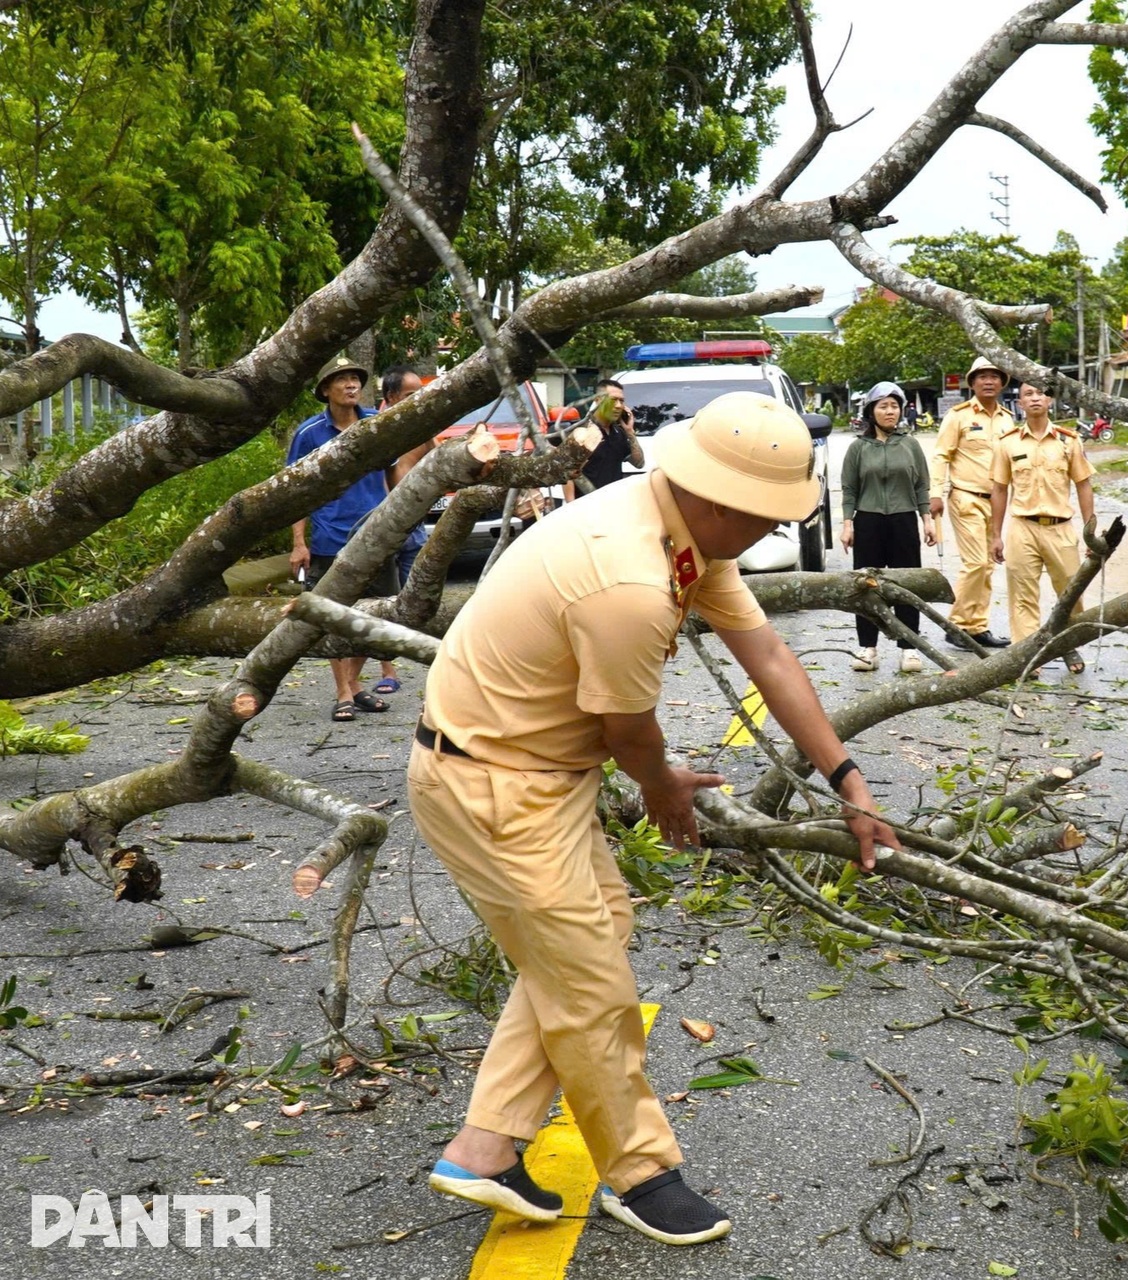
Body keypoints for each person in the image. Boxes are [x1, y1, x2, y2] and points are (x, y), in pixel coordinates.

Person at [410, 391, 898, 1248]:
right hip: (490, 783)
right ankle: (641, 1174)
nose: (768, 532)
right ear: (719, 499)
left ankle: (482, 1147)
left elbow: (770, 657)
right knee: (591, 983)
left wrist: (849, 778)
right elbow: (628, 732)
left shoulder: (683, 528)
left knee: (591, 940)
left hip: (541, 775)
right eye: (764, 517)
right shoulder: (629, 577)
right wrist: (665, 789)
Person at [287, 354, 400, 722]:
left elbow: (394, 474)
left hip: (376, 535)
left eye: (355, 378)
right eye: (342, 379)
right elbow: (294, 492)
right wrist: (299, 543)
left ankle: (353, 685)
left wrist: (401, 520)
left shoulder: (376, 424)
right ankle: (341, 693)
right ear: (325, 390)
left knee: (379, 615)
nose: (351, 384)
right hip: (330, 539)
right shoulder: (309, 434)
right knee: (334, 617)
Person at [989, 381, 1097, 673]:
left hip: (1060, 528)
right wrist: (995, 535)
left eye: (1041, 393)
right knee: (1022, 595)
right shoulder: (1007, 442)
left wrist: (1091, 532)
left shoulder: (1069, 441)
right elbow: (999, 490)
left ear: (1050, 401)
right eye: (1028, 394)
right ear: (1020, 403)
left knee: (1071, 594)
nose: (1035, 398)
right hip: (1022, 527)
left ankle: (1066, 644)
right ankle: (1026, 657)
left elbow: (1084, 485)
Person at [839, 381, 936, 674]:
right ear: (872, 411)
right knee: (866, 586)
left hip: (903, 520)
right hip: (868, 521)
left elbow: (922, 485)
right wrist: (847, 524)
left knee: (905, 585)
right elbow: (849, 489)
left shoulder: (910, 445)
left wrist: (927, 519)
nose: (889, 411)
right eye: (883, 406)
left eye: (894, 405)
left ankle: (908, 648)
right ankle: (868, 647)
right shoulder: (858, 448)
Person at [930, 355, 1017, 648]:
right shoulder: (959, 415)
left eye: (994, 376)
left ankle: (976, 627)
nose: (989, 381)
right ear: (973, 383)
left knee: (989, 564)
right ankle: (956, 625)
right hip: (965, 498)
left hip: (997, 500)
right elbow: (942, 455)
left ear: (1002, 383)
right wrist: (935, 493)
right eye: (982, 376)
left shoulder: (1007, 419)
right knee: (976, 563)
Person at [374, 365, 431, 696]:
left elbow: (438, 457)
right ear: (391, 397)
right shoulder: (376, 430)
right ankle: (387, 668)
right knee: (382, 599)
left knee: (417, 597)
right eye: (412, 395)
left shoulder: (421, 427)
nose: (419, 399)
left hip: (416, 525)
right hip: (383, 526)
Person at [578, 377, 646, 492]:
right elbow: (568, 474)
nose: (619, 406)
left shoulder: (618, 433)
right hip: (587, 504)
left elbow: (639, 464)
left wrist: (630, 432)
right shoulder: (583, 431)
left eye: (621, 401)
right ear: (598, 400)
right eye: (613, 400)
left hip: (613, 502)